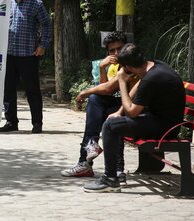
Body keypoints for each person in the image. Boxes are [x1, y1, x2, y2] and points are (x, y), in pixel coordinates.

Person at [84, 43, 185, 192]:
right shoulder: (154, 66)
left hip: (165, 129)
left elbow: (132, 112)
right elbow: (138, 86)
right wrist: (119, 112)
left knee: (110, 127)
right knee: (114, 121)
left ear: (128, 68)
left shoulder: (151, 79)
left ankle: (111, 178)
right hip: (164, 121)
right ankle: (114, 174)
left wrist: (122, 82)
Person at [61, 31, 136, 181]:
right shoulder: (113, 66)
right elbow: (104, 89)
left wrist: (84, 92)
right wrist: (102, 68)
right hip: (119, 105)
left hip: (133, 109)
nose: (116, 53)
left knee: (109, 112)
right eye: (112, 50)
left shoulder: (131, 64)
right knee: (96, 99)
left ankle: (117, 168)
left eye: (119, 49)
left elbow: (108, 88)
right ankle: (87, 156)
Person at [0, 0, 51, 134]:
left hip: (28, 54)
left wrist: (43, 45)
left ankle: (37, 123)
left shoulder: (36, 3)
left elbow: (47, 24)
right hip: (9, 53)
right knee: (8, 90)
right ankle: (11, 121)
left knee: (32, 90)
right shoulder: (6, 1)